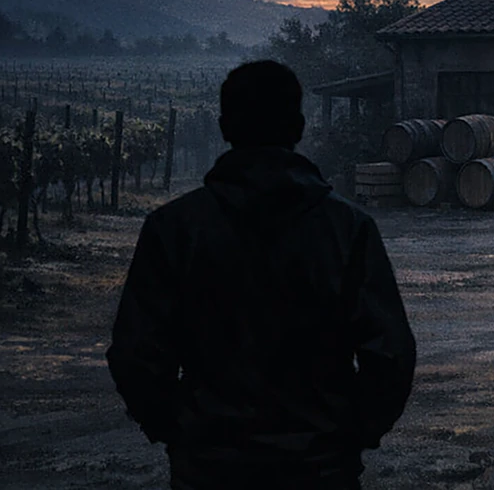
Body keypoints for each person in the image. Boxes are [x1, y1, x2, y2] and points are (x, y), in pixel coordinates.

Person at [106, 60, 416, 489]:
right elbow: (391, 354)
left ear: (224, 126)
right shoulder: (348, 228)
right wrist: (349, 434)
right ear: (299, 127)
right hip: (320, 470)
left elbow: (135, 354)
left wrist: (180, 430)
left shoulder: (174, 227)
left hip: (209, 470)